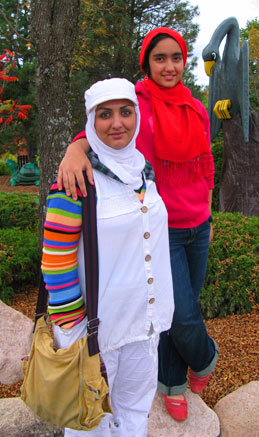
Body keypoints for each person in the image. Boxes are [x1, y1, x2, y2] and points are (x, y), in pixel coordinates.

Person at [57, 27, 219, 422]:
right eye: (159, 58)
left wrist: (209, 216)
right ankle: (206, 357)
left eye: (176, 57)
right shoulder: (138, 101)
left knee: (168, 316)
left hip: (195, 223)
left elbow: (207, 167)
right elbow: (106, 123)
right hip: (161, 230)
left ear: (185, 61)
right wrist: (75, 148)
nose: (169, 66)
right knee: (183, 317)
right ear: (146, 62)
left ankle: (172, 383)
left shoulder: (196, 107)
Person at [41, 77, 174, 437]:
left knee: (134, 413)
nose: (117, 123)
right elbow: (55, 260)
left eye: (125, 112)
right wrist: (72, 327)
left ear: (137, 116)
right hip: (96, 331)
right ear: (90, 121)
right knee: (89, 424)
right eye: (105, 114)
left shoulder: (143, 172)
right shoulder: (75, 180)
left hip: (144, 324)